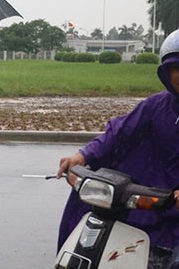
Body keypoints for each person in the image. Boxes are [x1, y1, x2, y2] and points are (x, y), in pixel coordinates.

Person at [57, 28, 179, 269]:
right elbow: (119, 132)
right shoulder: (156, 106)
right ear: (166, 72)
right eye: (177, 68)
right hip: (149, 207)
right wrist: (83, 155)